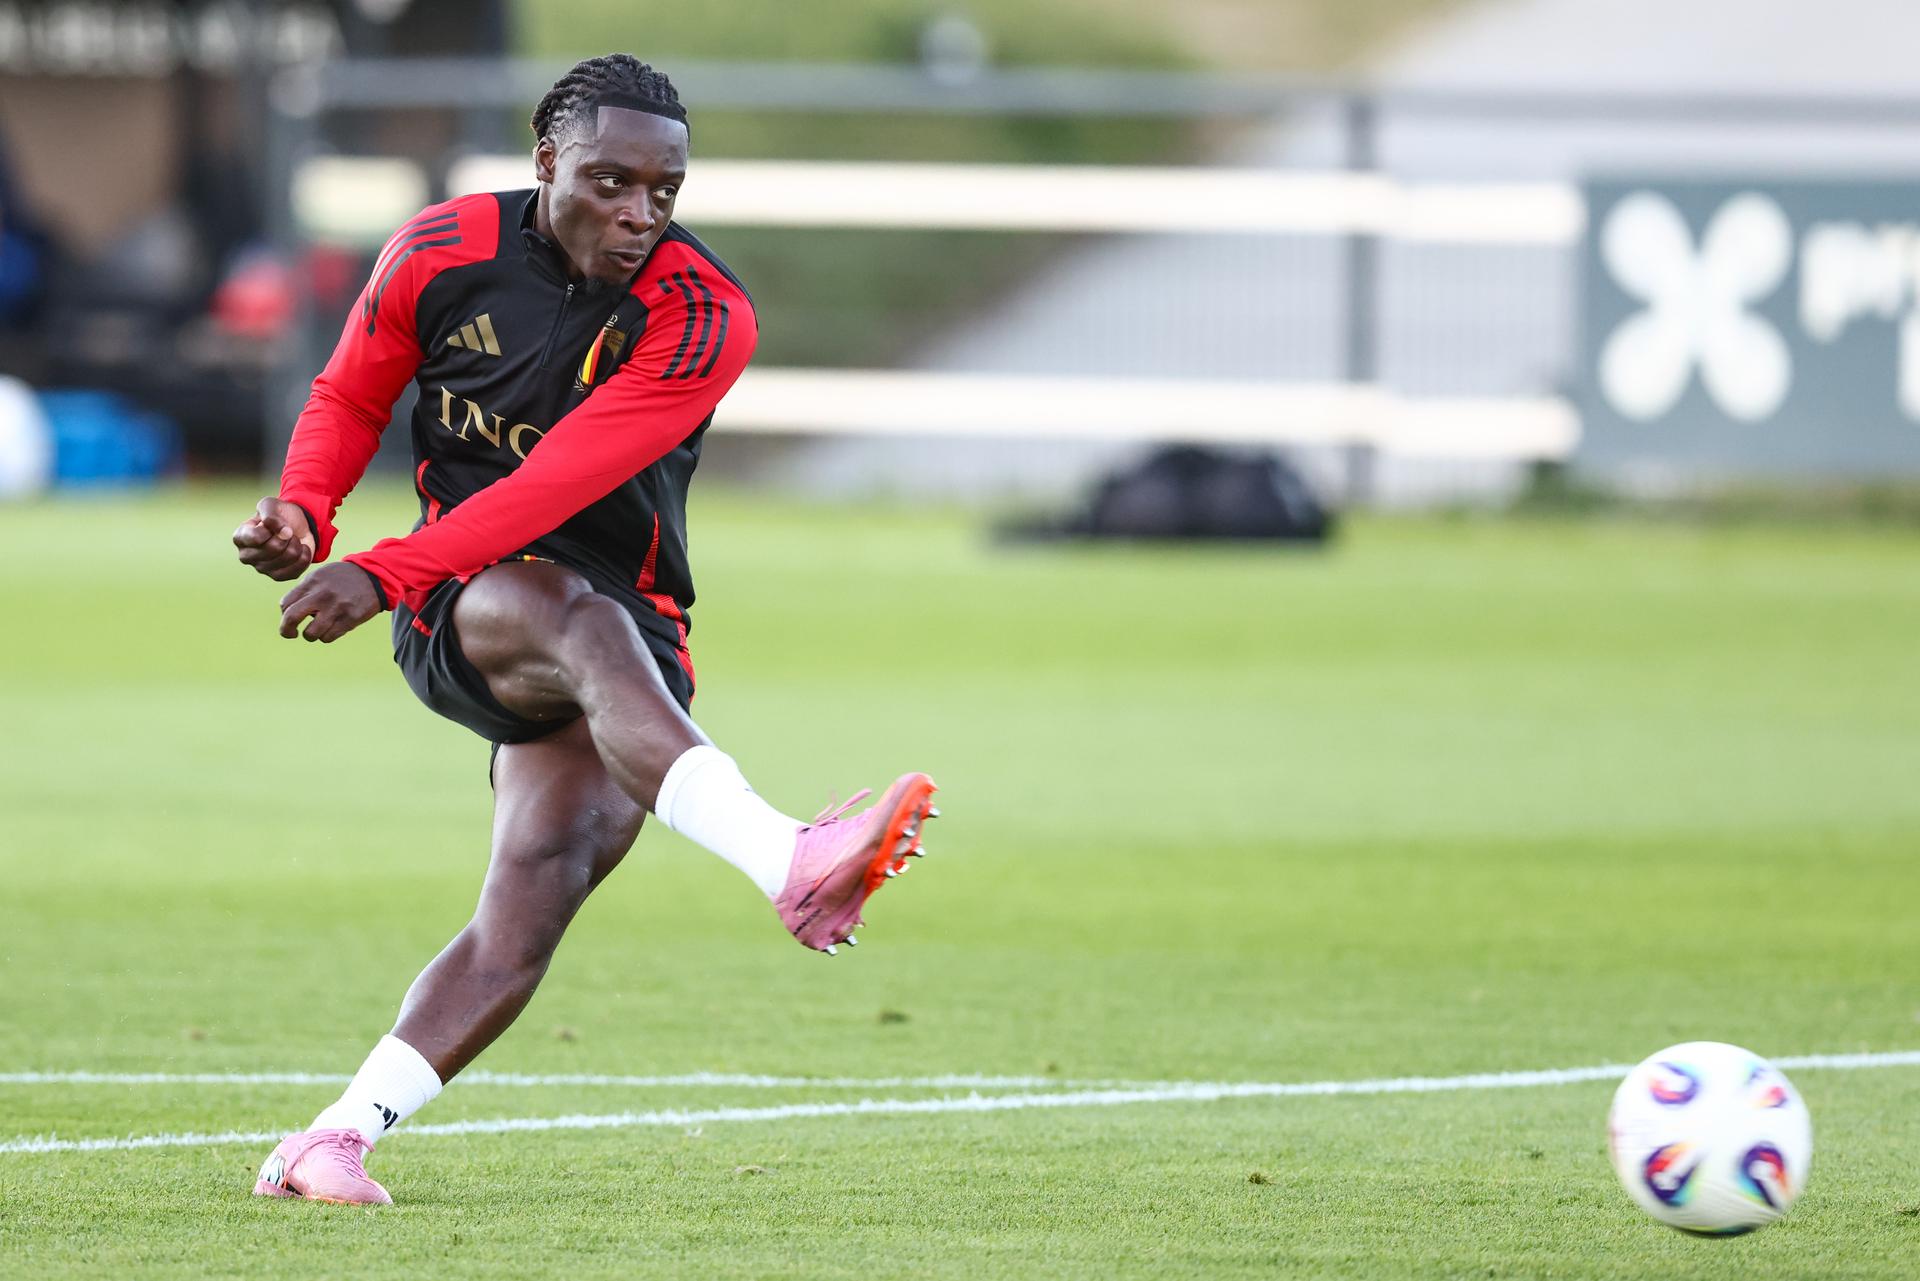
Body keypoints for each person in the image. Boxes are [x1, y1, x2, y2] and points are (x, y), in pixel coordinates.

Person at [232, 54, 938, 1207]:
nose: (638, 215)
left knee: (531, 901)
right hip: (475, 603)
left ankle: (331, 1140)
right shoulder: (441, 251)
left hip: (628, 633)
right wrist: (309, 510)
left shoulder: (705, 313)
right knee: (562, 605)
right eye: (611, 182)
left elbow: (561, 482)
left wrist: (380, 567)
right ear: (544, 156)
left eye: (664, 191)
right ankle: (787, 858)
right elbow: (354, 392)